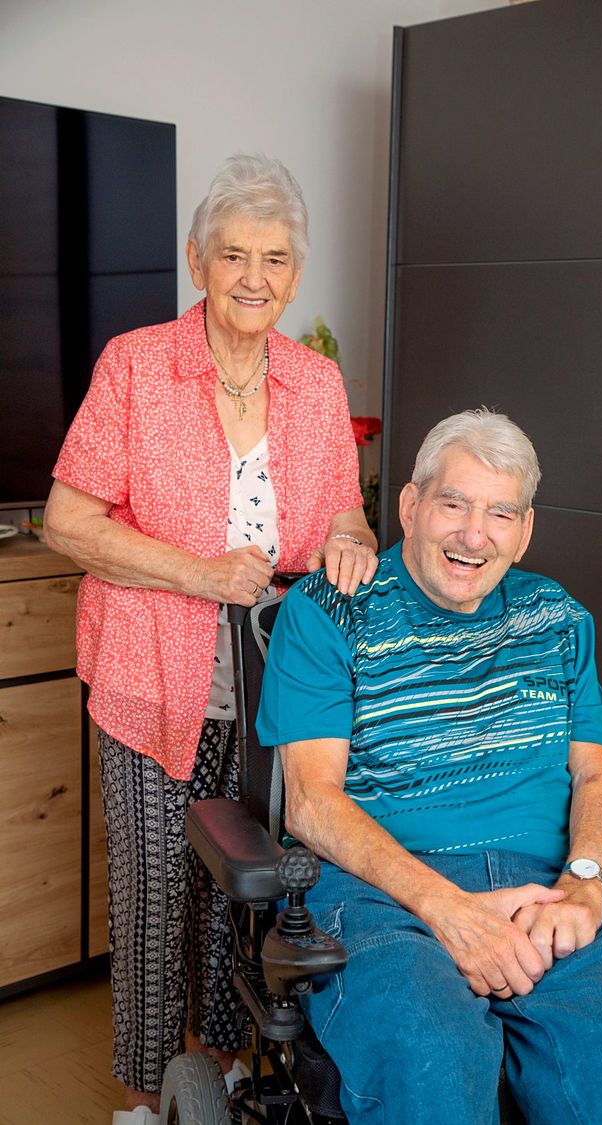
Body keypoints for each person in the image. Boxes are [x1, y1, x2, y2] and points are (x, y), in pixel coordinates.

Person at [43, 153, 378, 1124]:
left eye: (274, 259)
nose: (253, 277)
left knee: (247, 882)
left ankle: (225, 1074)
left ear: (295, 275)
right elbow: (67, 521)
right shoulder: (138, 365)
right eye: (233, 254)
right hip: (153, 669)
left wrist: (351, 548)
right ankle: (148, 1102)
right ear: (198, 260)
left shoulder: (316, 384)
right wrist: (199, 573)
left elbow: (341, 519)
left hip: (275, 679)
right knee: (155, 895)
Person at [256, 408, 602, 1125]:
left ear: (526, 529)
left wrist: (583, 886)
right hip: (381, 899)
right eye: (453, 504)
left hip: (543, 896)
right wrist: (448, 910)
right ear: (411, 506)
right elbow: (311, 803)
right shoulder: (331, 609)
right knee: (435, 1059)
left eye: (499, 513)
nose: (474, 535)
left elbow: (600, 779)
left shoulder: (558, 618)